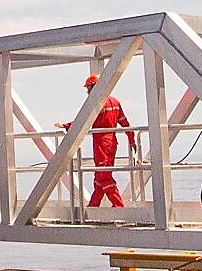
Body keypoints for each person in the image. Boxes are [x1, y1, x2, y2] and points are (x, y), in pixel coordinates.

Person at [59, 74, 141, 207]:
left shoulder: (97, 103)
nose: (87, 92)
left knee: (103, 177)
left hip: (101, 143)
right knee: (99, 177)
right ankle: (92, 207)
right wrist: (131, 139)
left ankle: (119, 207)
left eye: (89, 88)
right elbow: (124, 122)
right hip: (112, 142)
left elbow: (83, 121)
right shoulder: (115, 102)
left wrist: (66, 126)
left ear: (95, 86)